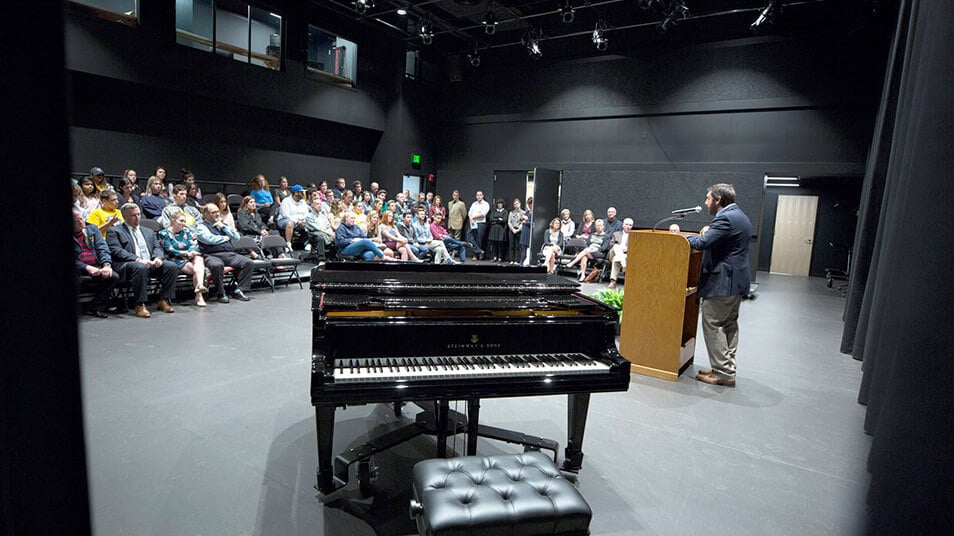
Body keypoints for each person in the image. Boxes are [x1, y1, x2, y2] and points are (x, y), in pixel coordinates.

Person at [686, 183, 752, 387]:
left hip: (723, 282)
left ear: (718, 200)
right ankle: (725, 367)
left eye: (708, 199)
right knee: (729, 325)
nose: (705, 203)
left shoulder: (724, 218)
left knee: (713, 324)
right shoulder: (740, 215)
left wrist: (684, 238)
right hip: (736, 280)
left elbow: (702, 243)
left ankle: (723, 372)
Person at [106, 203, 179, 318]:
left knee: (171, 266)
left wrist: (158, 258)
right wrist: (137, 259)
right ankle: (140, 304)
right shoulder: (114, 231)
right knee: (140, 267)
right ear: (124, 217)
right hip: (127, 265)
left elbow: (157, 247)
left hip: (149, 263)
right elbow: (116, 251)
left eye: (139, 214)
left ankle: (164, 300)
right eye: (133, 215)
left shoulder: (148, 231)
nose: (137, 217)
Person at [195, 204, 254, 303]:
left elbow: (237, 237)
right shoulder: (201, 227)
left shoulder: (222, 225)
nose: (217, 214)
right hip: (211, 255)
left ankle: (239, 290)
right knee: (217, 265)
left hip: (229, 254)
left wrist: (224, 227)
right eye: (214, 212)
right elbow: (209, 239)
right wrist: (226, 238)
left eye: (218, 211)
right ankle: (220, 293)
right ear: (206, 214)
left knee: (248, 262)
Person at [73, 207, 118, 318]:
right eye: (76, 220)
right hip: (78, 268)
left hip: (96, 265)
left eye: (81, 219)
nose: (80, 222)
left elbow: (102, 248)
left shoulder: (91, 229)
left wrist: (106, 265)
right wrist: (86, 267)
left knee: (112, 276)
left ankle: (95, 307)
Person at [158, 212, 208, 307]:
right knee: (196, 270)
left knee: (199, 258)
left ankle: (200, 287)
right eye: (181, 221)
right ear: (172, 221)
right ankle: (199, 295)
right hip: (174, 258)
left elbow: (192, 244)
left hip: (189, 256)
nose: (184, 223)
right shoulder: (163, 233)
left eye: (185, 221)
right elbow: (169, 249)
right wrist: (184, 253)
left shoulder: (186, 231)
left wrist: (191, 252)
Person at [277, 184, 309, 249]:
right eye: (301, 192)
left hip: (300, 221)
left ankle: (308, 243)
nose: (303, 194)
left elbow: (306, 213)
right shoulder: (286, 201)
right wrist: (298, 221)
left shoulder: (303, 202)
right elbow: (286, 215)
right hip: (284, 220)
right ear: (296, 193)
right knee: (290, 223)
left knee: (310, 222)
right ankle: (288, 244)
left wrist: (303, 221)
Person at [607, 218, 634, 289]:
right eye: (626, 224)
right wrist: (618, 248)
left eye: (630, 225)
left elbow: (635, 248)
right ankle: (624, 265)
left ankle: (613, 282)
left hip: (625, 255)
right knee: (616, 246)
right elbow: (610, 245)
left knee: (616, 259)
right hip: (613, 253)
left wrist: (628, 249)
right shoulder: (616, 234)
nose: (628, 226)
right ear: (623, 225)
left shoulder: (634, 236)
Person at [467, 191, 490, 260]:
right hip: (472, 222)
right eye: (477, 195)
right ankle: (479, 251)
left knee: (478, 239)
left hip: (480, 223)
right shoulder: (474, 204)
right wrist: (471, 218)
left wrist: (473, 217)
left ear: (483, 196)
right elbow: (469, 212)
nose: (479, 196)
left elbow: (483, 214)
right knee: (469, 237)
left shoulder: (486, 204)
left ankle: (476, 255)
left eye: (480, 195)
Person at [507, 198, 524, 264]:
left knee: (517, 246)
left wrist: (518, 230)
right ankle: (511, 260)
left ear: (519, 204)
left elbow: (523, 222)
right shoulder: (511, 212)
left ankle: (517, 260)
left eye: (517, 204)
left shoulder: (523, 212)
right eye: (514, 204)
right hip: (512, 230)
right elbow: (509, 222)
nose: (516, 205)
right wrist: (513, 229)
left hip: (519, 230)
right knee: (511, 245)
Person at [518, 197, 533, 266]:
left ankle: (525, 262)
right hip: (524, 230)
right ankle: (521, 262)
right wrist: (522, 219)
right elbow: (522, 219)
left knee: (527, 247)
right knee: (523, 247)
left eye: (531, 204)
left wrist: (526, 221)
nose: (529, 206)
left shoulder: (534, 213)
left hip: (529, 231)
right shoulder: (527, 212)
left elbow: (533, 223)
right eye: (528, 204)